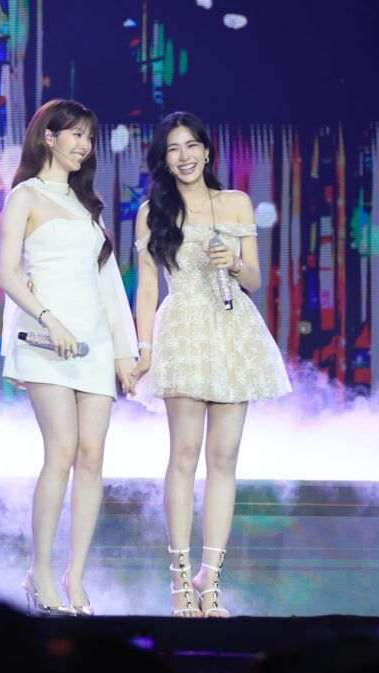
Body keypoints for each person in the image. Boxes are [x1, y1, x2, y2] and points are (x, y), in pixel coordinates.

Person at [130, 111, 291, 617]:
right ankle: (179, 578)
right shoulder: (152, 212)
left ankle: (210, 579)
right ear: (164, 159)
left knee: (224, 458)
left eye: (192, 145)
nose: (185, 156)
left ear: (206, 150)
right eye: (173, 149)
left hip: (232, 329)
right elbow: (148, 287)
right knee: (185, 454)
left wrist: (235, 264)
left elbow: (255, 280)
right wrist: (144, 349)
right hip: (183, 330)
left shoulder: (235, 202)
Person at [0, 99, 138, 616]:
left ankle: (74, 576)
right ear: (49, 137)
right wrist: (49, 319)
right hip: (45, 342)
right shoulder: (25, 196)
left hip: (93, 344)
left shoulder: (86, 207)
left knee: (92, 458)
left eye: (89, 137)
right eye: (75, 134)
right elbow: (7, 274)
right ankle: (39, 570)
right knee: (61, 452)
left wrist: (124, 352)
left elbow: (108, 287)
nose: (83, 145)